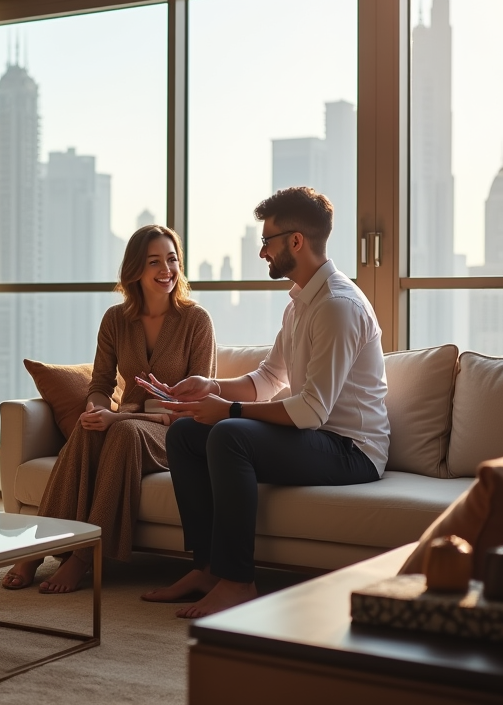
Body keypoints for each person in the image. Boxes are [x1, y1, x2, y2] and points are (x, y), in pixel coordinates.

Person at [142, 186, 389, 618]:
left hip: (352, 451)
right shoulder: (300, 303)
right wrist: (210, 386)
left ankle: (238, 582)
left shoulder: (336, 306)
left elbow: (312, 410)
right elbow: (269, 379)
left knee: (229, 436)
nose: (262, 253)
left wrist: (229, 412)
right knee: (184, 434)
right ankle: (207, 568)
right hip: (316, 437)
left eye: (266, 242)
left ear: (296, 241)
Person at [3, 224, 216, 594]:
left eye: (172, 259)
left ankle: (83, 558)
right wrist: (94, 409)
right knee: (94, 427)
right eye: (155, 261)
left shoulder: (196, 321)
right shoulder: (116, 320)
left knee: (123, 430)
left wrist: (117, 416)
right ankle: (37, 549)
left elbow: (194, 403)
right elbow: (101, 385)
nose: (167, 269)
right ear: (135, 268)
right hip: (126, 422)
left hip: (175, 429)